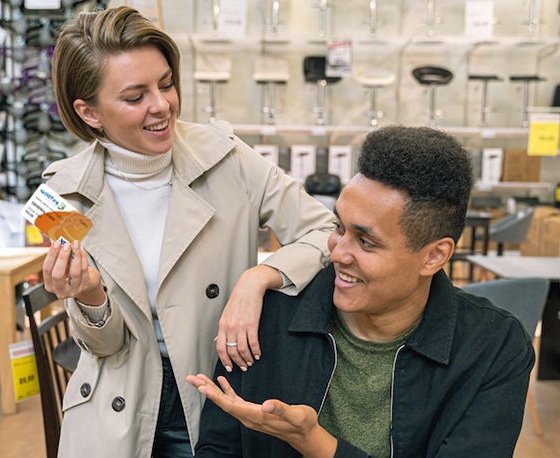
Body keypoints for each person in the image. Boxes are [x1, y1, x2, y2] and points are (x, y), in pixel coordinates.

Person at [41, 6, 334, 458]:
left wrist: (258, 278)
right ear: (89, 112)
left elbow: (326, 231)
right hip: (115, 408)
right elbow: (105, 344)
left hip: (213, 390)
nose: (161, 106)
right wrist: (90, 296)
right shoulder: (63, 194)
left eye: (166, 84)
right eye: (135, 97)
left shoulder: (227, 159)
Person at [187, 125, 535, 458]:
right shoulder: (267, 317)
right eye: (338, 227)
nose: (336, 253)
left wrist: (317, 444)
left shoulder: (493, 347)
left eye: (366, 242)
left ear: (434, 256)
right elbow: (218, 448)